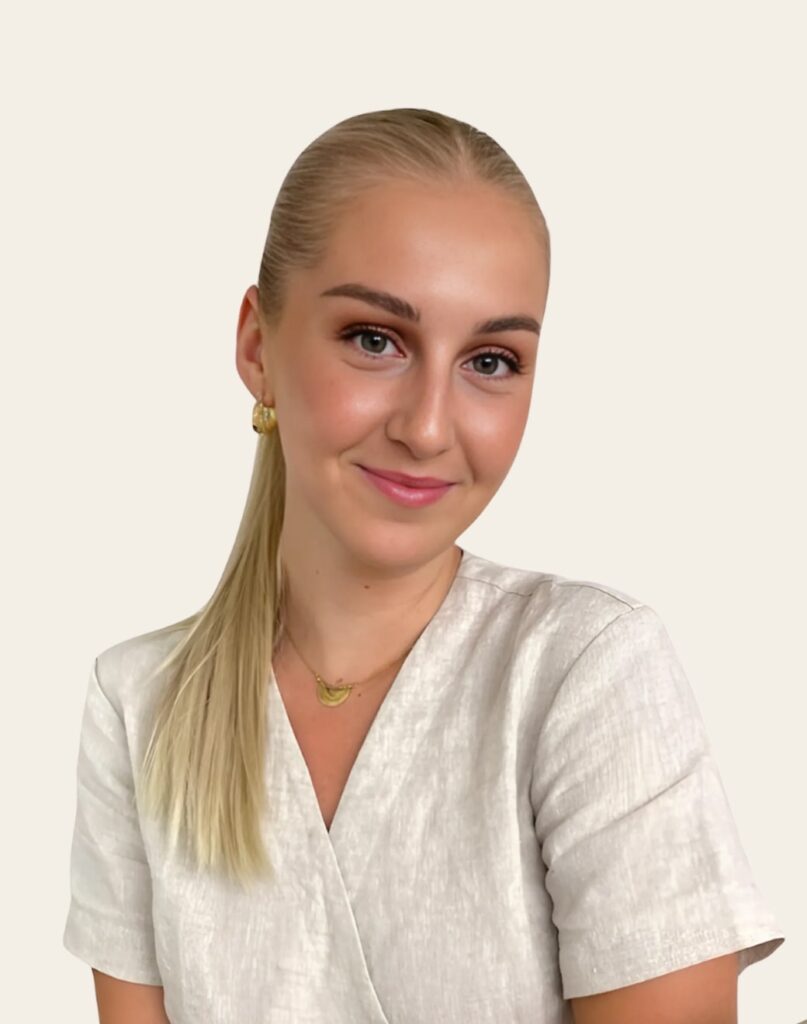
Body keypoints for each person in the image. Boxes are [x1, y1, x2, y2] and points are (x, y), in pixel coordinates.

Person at [62, 107, 784, 1024]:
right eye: (375, 339)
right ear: (257, 348)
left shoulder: (583, 670)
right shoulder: (140, 705)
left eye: (491, 360)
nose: (429, 426)